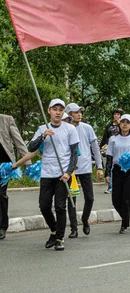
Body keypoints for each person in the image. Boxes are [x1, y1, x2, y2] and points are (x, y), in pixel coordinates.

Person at [27, 99, 80, 251]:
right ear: (49, 111)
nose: (58, 112)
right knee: (44, 205)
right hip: (47, 173)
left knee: (60, 206)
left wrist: (68, 172)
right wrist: (43, 136)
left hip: (63, 174)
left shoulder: (70, 129)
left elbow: (75, 153)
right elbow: (31, 147)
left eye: (60, 109)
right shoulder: (42, 128)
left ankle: (59, 238)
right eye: (55, 109)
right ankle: (55, 229)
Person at [65, 103, 104, 238]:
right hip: (70, 170)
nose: (79, 114)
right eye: (76, 112)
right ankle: (74, 228)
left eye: (80, 112)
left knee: (90, 198)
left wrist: (99, 167)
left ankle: (85, 219)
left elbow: (95, 148)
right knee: (71, 199)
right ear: (69, 115)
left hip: (86, 167)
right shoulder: (65, 129)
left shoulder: (87, 128)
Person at [106, 114, 130, 234]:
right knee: (116, 200)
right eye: (123, 122)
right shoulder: (113, 139)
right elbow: (110, 157)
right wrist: (108, 173)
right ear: (119, 124)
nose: (125, 124)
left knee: (127, 199)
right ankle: (126, 216)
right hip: (117, 170)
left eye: (128, 122)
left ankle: (124, 224)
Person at [0, 114, 31, 240]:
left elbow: (18, 141)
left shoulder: (6, 120)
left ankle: (2, 226)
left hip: (4, 166)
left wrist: (27, 161)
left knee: (1, 194)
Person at [100, 108, 123, 194]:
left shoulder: (122, 125)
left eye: (117, 114)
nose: (116, 116)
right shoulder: (109, 126)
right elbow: (105, 137)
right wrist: (101, 147)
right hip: (110, 149)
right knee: (110, 167)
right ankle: (110, 187)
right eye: (114, 114)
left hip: (120, 149)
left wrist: (120, 123)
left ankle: (119, 186)